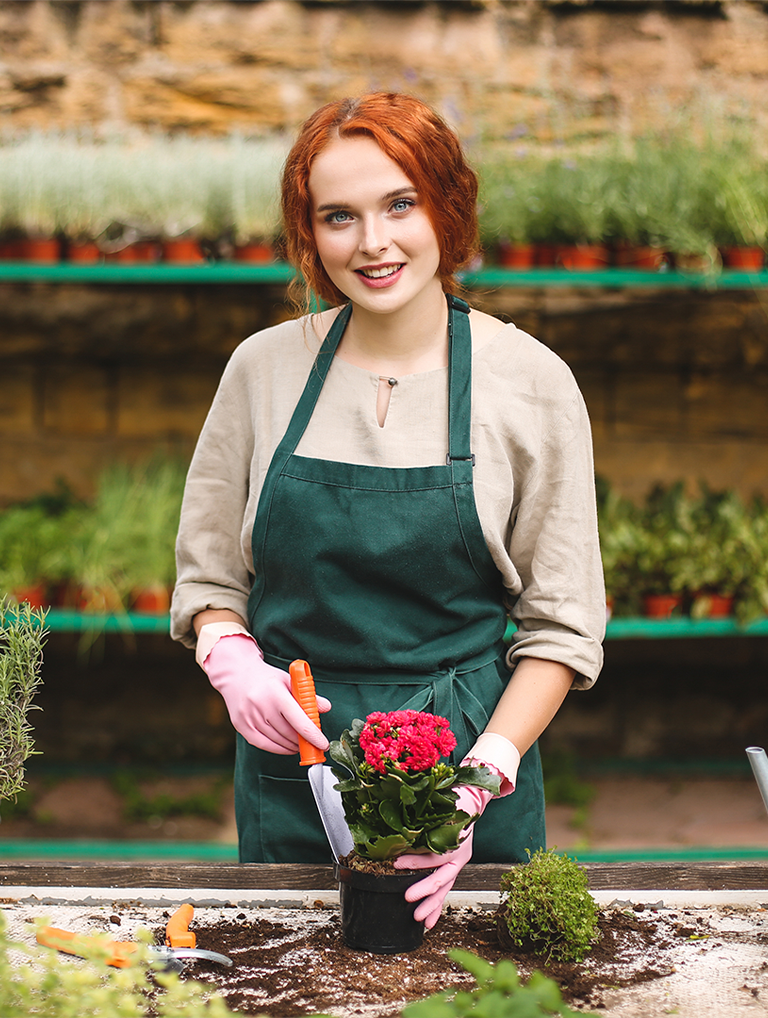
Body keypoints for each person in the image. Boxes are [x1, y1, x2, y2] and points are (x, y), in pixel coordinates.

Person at [171, 92, 605, 930]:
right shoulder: (262, 371)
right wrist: (231, 660)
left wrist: (476, 786)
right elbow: (209, 577)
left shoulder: (532, 383)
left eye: (400, 204)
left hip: (471, 763)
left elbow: (561, 628)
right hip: (298, 763)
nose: (372, 243)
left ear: (447, 205)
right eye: (339, 216)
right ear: (310, 234)